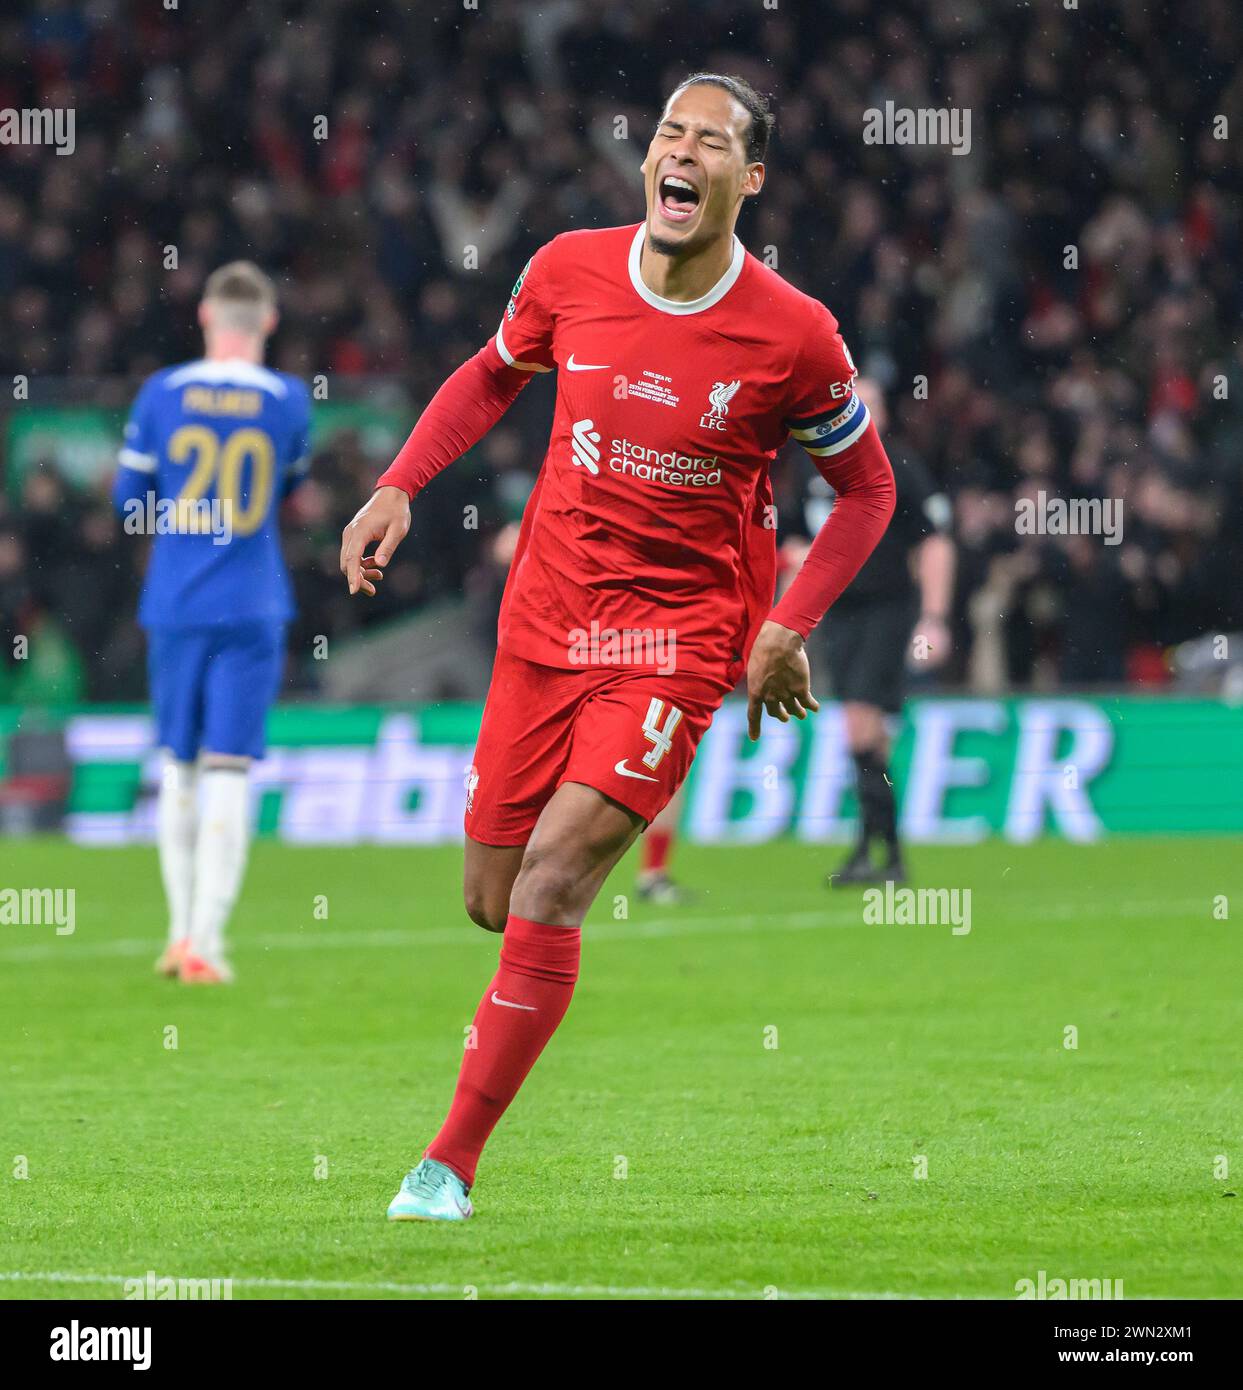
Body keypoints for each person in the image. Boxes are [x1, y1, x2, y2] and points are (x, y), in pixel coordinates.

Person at [339, 74, 896, 1221]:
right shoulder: (567, 270)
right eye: (667, 134)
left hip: (677, 641)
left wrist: (786, 624)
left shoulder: (794, 336)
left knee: (550, 882)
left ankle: (446, 1164)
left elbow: (867, 489)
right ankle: (511, 1016)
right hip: (543, 620)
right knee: (491, 899)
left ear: (751, 179)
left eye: (710, 141)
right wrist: (399, 484)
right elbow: (493, 373)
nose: (679, 153)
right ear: (649, 161)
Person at [112, 262, 314, 984]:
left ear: (205, 316)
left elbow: (125, 498)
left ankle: (175, 933)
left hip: (175, 602)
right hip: (253, 601)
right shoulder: (288, 400)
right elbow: (291, 488)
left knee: (180, 762)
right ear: (267, 322)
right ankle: (206, 938)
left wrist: (177, 518)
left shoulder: (162, 393)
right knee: (231, 762)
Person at [784, 379, 954, 884]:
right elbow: (791, 537)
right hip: (837, 614)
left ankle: (879, 853)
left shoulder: (898, 465)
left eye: (869, 404)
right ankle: (883, 853)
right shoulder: (811, 464)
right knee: (868, 735)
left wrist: (934, 618)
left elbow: (934, 542)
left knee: (859, 723)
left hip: (887, 609)